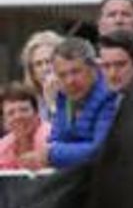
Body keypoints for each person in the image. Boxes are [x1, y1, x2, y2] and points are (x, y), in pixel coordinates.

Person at [17, 37, 117, 170]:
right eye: (62, 75)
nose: (70, 81)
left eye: (76, 72)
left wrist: (51, 154)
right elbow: (56, 139)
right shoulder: (63, 94)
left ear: (93, 68)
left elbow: (101, 151)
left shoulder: (110, 95)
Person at [0, 82, 51, 170]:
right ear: (4, 120)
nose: (18, 116)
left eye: (24, 110)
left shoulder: (50, 136)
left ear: (36, 113)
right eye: (11, 113)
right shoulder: (4, 145)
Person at [19, 30, 63, 121]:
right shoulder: (29, 103)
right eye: (38, 64)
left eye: (49, 61)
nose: (45, 68)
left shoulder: (76, 96)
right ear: (32, 73)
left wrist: (52, 104)